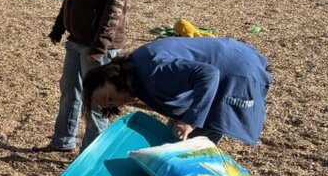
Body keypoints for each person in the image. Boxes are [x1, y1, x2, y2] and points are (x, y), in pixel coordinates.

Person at [44, 0, 137, 153]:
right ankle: (62, 141)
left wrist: (100, 45)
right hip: (77, 37)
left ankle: (91, 154)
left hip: (98, 44)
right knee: (69, 91)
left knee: (98, 100)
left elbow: (115, 7)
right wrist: (59, 26)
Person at [82, 37, 271, 145]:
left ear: (110, 76)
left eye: (109, 97)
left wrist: (190, 121)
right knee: (176, 142)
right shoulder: (136, 75)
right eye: (110, 105)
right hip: (225, 69)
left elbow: (209, 74)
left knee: (194, 150)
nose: (116, 103)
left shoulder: (153, 68)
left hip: (236, 72)